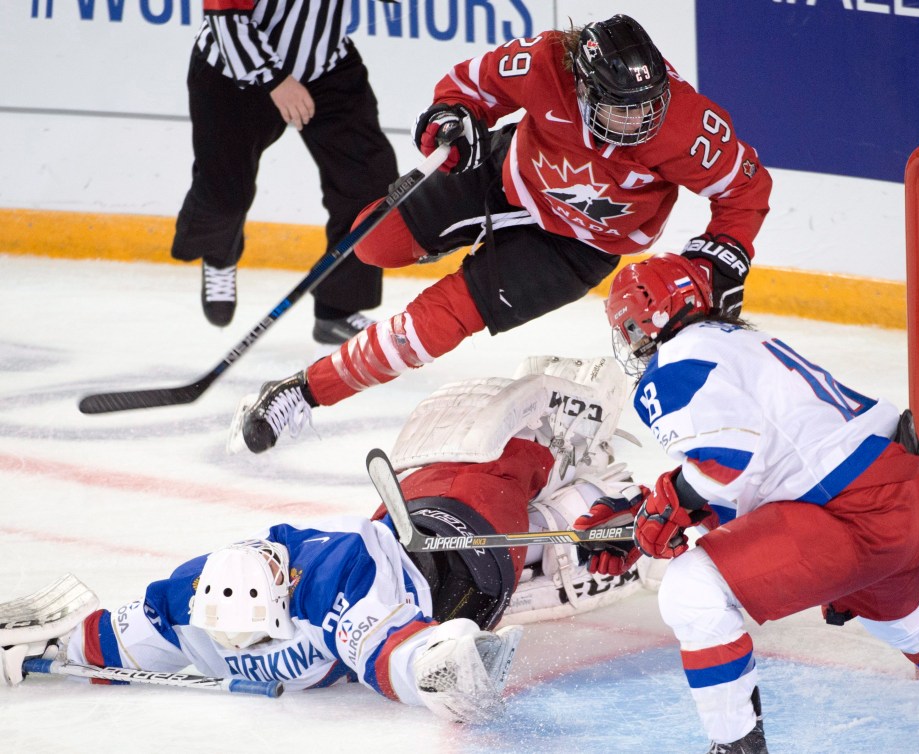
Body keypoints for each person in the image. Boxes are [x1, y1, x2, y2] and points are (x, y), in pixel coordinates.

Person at [232, 12, 773, 454]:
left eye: (648, 106)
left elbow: (745, 191)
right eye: (622, 109)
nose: (640, 121)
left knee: (434, 325)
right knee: (374, 241)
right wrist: (453, 118)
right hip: (504, 179)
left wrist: (725, 253)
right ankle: (439, 238)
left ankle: (303, 392)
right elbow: (468, 85)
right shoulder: (545, 62)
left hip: (575, 249)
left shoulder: (687, 125)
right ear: (583, 86)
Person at [1, 355, 648, 719]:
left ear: (285, 588)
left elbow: (396, 655)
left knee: (476, 481)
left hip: (424, 546)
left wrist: (435, 669)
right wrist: (53, 648)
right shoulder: (188, 599)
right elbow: (117, 639)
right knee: (506, 512)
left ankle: (552, 471)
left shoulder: (334, 584)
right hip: (464, 587)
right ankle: (578, 506)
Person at [572, 253, 919, 752]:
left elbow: (729, 460)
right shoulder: (740, 341)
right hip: (901, 497)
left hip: (852, 516)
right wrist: (658, 510)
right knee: (900, 618)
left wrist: (669, 507)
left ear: (646, 319)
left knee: (692, 589)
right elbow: (760, 466)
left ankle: (735, 745)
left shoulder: (675, 363)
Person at [170, 0, 398, 343]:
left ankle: (337, 308)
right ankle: (219, 254)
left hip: (326, 67)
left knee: (368, 185)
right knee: (226, 195)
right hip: (235, 73)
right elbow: (225, 18)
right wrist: (275, 80)